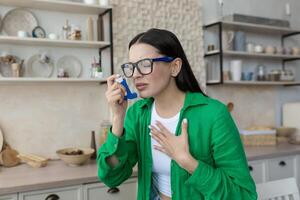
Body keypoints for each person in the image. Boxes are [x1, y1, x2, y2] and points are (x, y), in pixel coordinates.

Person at [97, 28, 257, 200]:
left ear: (174, 67)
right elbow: (111, 177)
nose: (135, 75)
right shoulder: (138, 113)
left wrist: (188, 162)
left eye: (144, 64)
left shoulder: (214, 114)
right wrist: (118, 117)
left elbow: (244, 195)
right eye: (132, 66)